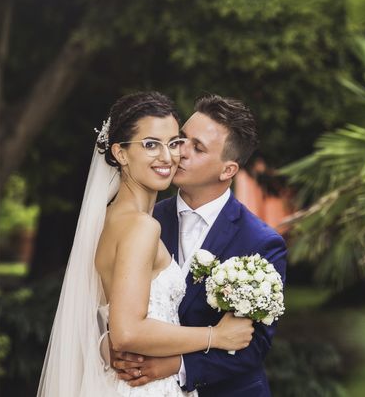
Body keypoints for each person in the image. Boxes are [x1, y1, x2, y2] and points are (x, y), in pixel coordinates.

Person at [37, 91, 255, 397]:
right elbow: (127, 332)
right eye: (151, 144)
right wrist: (215, 336)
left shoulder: (110, 217)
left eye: (173, 143)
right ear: (121, 153)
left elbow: (107, 316)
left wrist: (105, 345)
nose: (169, 157)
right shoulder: (141, 226)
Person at [110, 93, 288, 397]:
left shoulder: (261, 242)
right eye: (181, 140)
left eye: (198, 148)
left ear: (227, 170)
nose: (179, 152)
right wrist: (109, 347)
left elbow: (253, 345)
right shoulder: (144, 220)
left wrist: (176, 365)